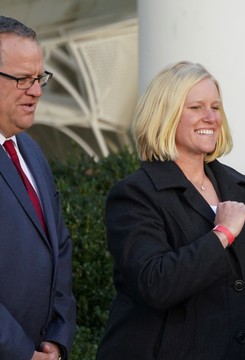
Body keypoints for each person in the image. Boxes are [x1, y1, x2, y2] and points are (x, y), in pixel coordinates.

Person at [96, 61, 245, 359]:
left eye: (216, 107)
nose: (211, 117)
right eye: (196, 107)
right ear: (166, 116)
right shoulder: (135, 194)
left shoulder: (241, 189)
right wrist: (222, 234)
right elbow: (155, 284)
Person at [0, 16, 76, 360]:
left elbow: (58, 247)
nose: (37, 91)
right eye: (22, 79)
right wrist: (20, 352)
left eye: (39, 78)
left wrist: (58, 341)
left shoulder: (30, 150)